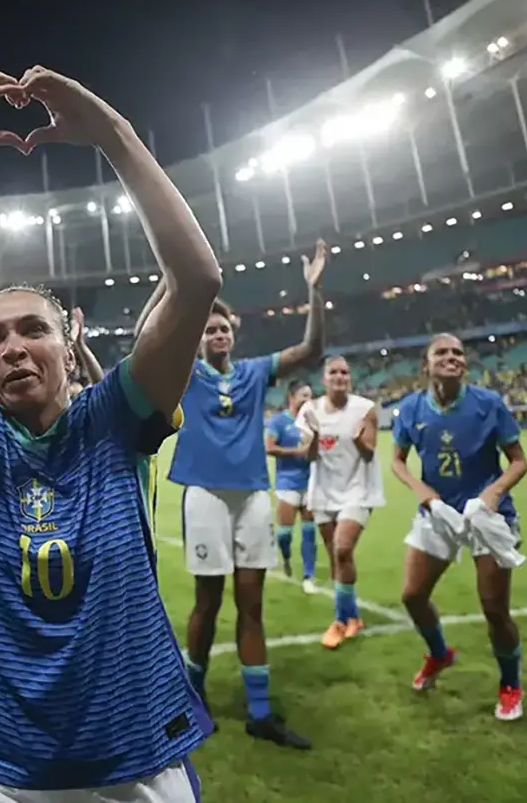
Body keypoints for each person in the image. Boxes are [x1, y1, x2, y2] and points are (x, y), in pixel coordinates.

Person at [0, 67, 221, 800]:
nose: (14, 347)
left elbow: (195, 280)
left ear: (70, 348)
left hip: (136, 752)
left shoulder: (117, 415)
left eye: (34, 328)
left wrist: (115, 137)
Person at [160, 238, 325, 750]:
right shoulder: (184, 372)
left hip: (253, 494)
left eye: (224, 328)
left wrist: (315, 292)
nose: (218, 334)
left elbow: (311, 351)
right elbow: (153, 339)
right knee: (207, 600)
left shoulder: (255, 372)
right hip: (205, 495)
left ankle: (259, 712)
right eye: (209, 328)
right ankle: (192, 695)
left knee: (252, 603)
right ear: (199, 337)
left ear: (235, 335)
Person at [391, 333, 527, 721]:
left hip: (488, 515)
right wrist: (423, 492)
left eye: (458, 353)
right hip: (438, 514)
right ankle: (439, 654)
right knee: (412, 595)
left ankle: (510, 685)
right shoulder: (411, 408)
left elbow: (518, 461)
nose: (452, 358)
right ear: (426, 364)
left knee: (494, 609)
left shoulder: (489, 404)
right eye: (442, 352)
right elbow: (398, 461)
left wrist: (494, 492)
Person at [295, 356, 384, 649]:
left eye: (345, 372)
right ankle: (354, 616)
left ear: (350, 378)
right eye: (333, 372)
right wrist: (317, 435)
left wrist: (359, 440)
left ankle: (338, 621)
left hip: (358, 489)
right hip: (322, 491)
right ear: (324, 379)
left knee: (342, 548)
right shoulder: (310, 410)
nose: (339, 376)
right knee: (337, 558)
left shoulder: (365, 409)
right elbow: (306, 456)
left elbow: (370, 453)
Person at [264, 380, 317, 591]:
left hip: (311, 482)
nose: (308, 400)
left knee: (309, 531)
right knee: (284, 533)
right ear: (291, 397)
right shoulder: (279, 421)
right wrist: (296, 452)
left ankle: (308, 576)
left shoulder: (313, 423)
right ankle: (285, 557)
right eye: (304, 395)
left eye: (310, 396)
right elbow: (269, 447)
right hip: (287, 482)